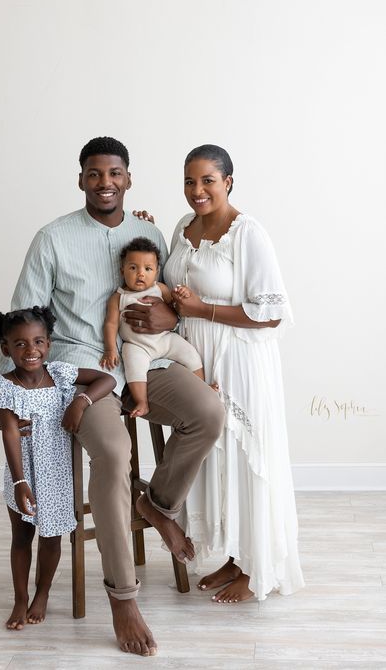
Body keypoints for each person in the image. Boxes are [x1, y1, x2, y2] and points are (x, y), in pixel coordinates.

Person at [0, 137, 225, 656]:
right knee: (114, 454)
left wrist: (172, 317)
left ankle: (158, 504)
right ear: (81, 180)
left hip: (146, 358)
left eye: (114, 174)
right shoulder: (51, 238)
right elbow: (22, 315)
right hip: (83, 371)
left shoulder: (148, 231)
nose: (105, 184)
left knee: (208, 412)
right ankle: (123, 597)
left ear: (128, 178)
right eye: (94, 175)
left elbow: (164, 295)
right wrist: (9, 390)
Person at [164, 144, 304, 604]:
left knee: (246, 459)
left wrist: (202, 308)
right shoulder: (181, 230)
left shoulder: (248, 234)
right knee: (214, 459)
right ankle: (232, 554)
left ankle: (256, 567)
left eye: (207, 180)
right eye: (189, 181)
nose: (197, 190)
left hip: (240, 360)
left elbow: (271, 314)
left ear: (228, 181)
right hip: (196, 360)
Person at [0, 306, 115, 630]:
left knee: (52, 537)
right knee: (21, 537)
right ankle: (20, 599)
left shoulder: (60, 374)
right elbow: (9, 430)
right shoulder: (4, 385)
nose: (31, 351)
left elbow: (107, 379)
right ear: (5, 348)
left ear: (49, 343)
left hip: (56, 473)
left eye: (38, 342)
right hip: (22, 473)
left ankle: (42, 594)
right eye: (20, 344)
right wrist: (19, 482)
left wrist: (79, 402)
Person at [100, 236, 205, 417]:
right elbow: (110, 324)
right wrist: (110, 349)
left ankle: (203, 390)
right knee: (134, 367)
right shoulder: (118, 297)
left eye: (147, 269)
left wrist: (183, 294)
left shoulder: (160, 288)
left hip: (165, 339)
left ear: (156, 272)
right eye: (133, 268)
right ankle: (142, 401)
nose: (140, 273)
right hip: (137, 345)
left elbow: (176, 305)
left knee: (191, 354)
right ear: (122, 270)